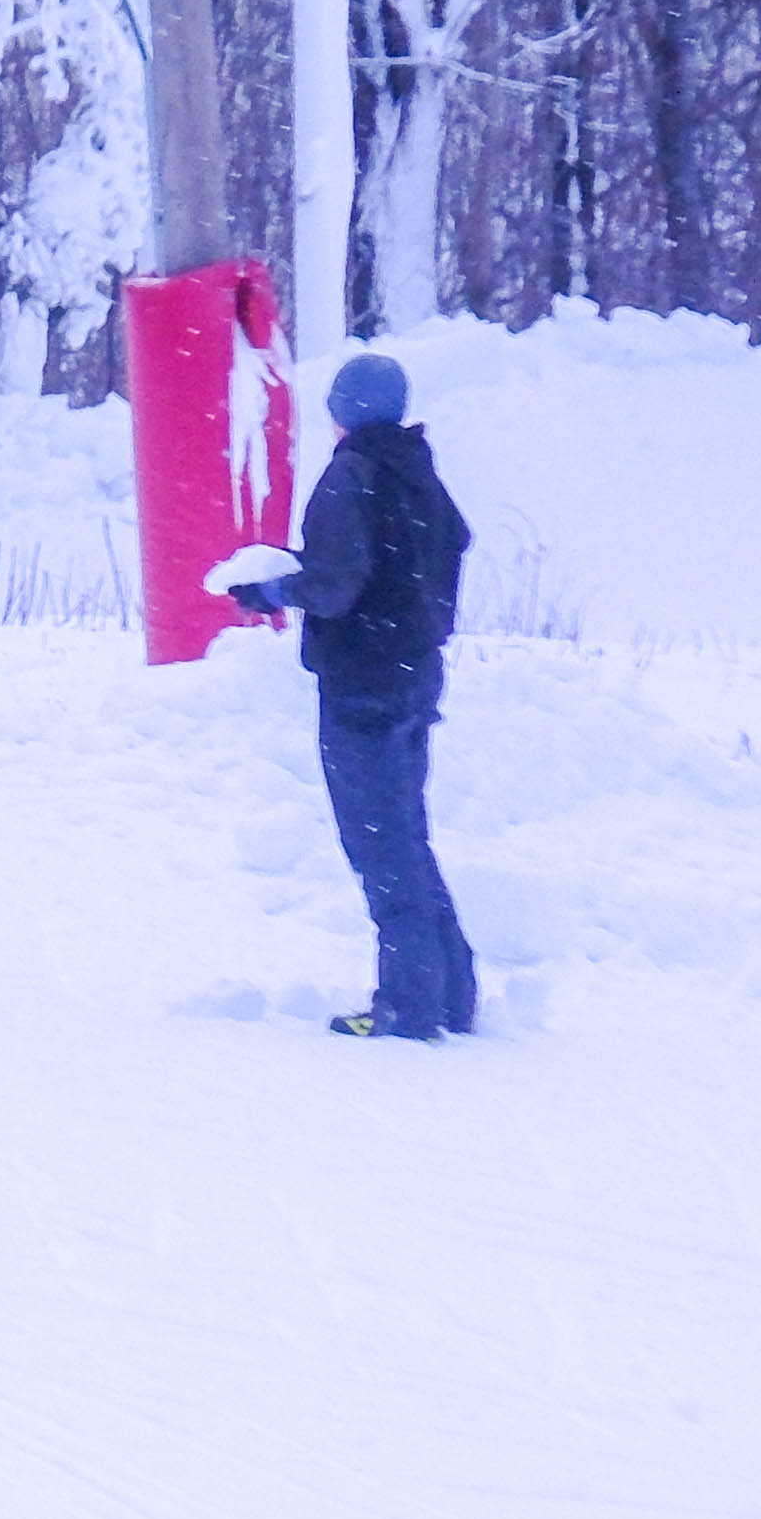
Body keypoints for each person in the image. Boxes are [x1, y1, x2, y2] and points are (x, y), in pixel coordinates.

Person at [216, 346, 481, 1040]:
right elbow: (440, 545)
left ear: (342, 413)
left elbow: (336, 586)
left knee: (379, 847)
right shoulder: (417, 472)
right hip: (414, 676)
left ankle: (407, 1008)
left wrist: (271, 588)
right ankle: (452, 992)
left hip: (361, 686)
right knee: (406, 836)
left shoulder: (349, 476)